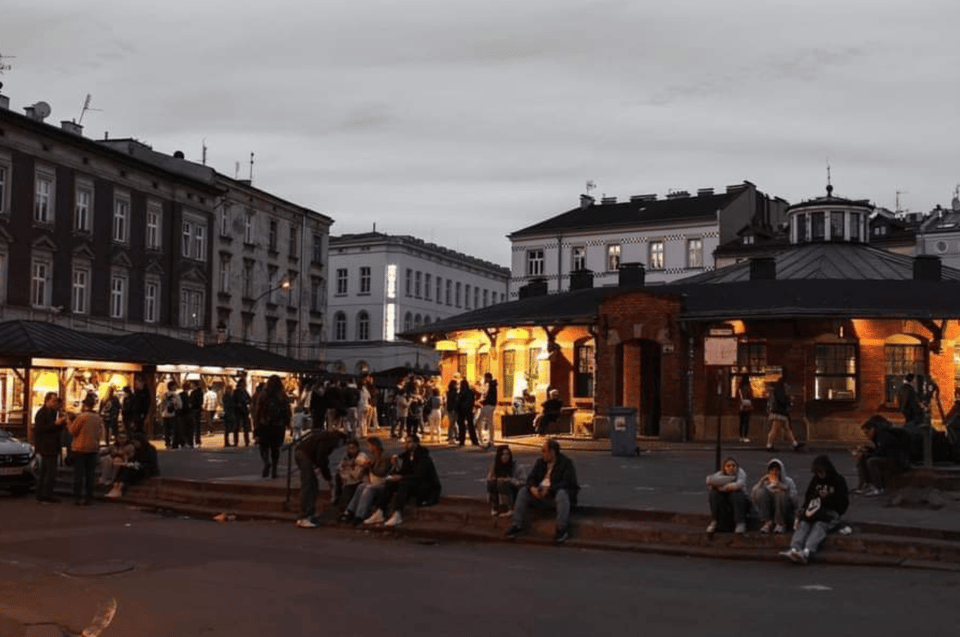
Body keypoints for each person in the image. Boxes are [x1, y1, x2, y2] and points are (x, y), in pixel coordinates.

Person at [504, 438, 579, 544]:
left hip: (554, 496)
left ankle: (561, 529)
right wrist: (533, 488)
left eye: (544, 451)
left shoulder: (566, 463)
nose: (542, 454)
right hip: (540, 494)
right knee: (524, 491)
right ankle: (516, 525)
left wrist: (549, 489)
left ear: (552, 452)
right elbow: (531, 478)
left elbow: (568, 483)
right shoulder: (540, 463)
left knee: (562, 494)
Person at [783, 455, 849, 564]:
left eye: (822, 472)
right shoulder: (815, 480)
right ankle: (795, 549)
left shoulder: (838, 480)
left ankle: (808, 551)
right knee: (803, 524)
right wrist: (804, 510)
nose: (820, 475)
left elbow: (843, 502)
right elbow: (808, 497)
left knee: (819, 526)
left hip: (830, 512)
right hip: (814, 511)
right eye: (818, 473)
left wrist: (828, 501)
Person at [365, 433, 442, 528]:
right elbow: (403, 471)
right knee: (390, 483)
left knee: (403, 484)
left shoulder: (423, 457)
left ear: (416, 443)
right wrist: (396, 470)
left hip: (424, 486)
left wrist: (401, 477)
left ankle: (398, 513)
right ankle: (380, 511)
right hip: (411, 482)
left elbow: (419, 475)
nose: (407, 444)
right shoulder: (407, 456)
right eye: (406, 442)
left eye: (409, 442)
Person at [294, 430, 347, 528]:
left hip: (302, 453)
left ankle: (309, 513)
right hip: (306, 456)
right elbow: (322, 456)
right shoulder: (332, 440)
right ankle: (304, 516)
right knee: (308, 486)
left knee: (313, 485)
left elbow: (321, 457)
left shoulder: (325, 436)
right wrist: (327, 475)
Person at [854, 415, 912, 496]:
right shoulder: (879, 436)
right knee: (863, 459)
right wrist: (868, 451)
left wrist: (870, 454)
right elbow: (880, 450)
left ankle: (878, 488)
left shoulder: (884, 435)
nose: (867, 436)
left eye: (867, 432)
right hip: (890, 458)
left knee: (871, 461)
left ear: (873, 429)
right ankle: (865, 484)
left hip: (898, 461)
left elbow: (884, 451)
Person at [341, 436, 393, 524]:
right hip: (373, 482)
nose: (368, 448)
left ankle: (360, 515)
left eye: (369, 445)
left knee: (368, 489)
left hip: (382, 482)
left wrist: (369, 466)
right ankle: (350, 511)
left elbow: (381, 472)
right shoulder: (372, 456)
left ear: (374, 446)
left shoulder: (385, 456)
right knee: (361, 486)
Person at [68, 392, 104, 506]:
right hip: (92, 448)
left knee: (78, 475)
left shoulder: (82, 417)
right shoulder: (98, 418)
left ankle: (77, 497)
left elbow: (72, 431)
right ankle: (89, 497)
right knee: (90, 475)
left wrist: (69, 421)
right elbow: (100, 434)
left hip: (80, 448)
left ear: (85, 405)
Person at [33, 391, 68, 503]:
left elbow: (57, 429)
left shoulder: (54, 412)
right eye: (53, 401)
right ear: (47, 400)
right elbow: (40, 429)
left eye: (56, 401)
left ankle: (47, 494)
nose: (55, 403)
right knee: (46, 473)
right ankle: (43, 496)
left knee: (51, 473)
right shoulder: (41, 413)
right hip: (45, 447)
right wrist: (55, 424)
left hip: (53, 446)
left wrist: (62, 423)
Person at [255, 375, 291, 479]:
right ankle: (274, 470)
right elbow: (287, 410)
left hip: (264, 424)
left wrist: (256, 425)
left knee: (263, 447)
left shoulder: (263, 395)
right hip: (278, 425)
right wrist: (288, 423)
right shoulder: (282, 395)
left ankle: (266, 462)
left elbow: (258, 411)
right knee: (275, 449)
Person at [750, 458, 798, 534]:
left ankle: (780, 523)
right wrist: (761, 482)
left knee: (780, 493)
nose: (774, 472)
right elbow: (754, 496)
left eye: (777, 470)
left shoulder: (788, 481)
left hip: (785, 512)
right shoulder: (765, 482)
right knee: (761, 492)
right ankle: (767, 522)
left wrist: (784, 489)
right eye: (772, 470)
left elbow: (795, 502)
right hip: (770, 510)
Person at [105, 433, 160, 499]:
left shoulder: (150, 449)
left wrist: (137, 465)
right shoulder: (137, 449)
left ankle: (120, 488)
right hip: (138, 467)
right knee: (125, 469)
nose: (135, 444)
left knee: (128, 472)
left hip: (148, 469)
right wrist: (131, 463)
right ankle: (117, 486)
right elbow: (134, 459)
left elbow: (151, 463)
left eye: (136, 442)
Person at [705, 457, 749, 535]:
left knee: (736, 493)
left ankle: (740, 523)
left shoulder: (741, 473)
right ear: (724, 468)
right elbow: (709, 480)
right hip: (725, 503)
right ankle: (715, 521)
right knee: (714, 493)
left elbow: (737, 485)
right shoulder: (720, 474)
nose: (731, 468)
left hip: (741, 504)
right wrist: (731, 478)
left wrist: (720, 485)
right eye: (728, 466)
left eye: (733, 465)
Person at [486, 445, 525, 516]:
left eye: (507, 454)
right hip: (499, 491)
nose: (505, 456)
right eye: (503, 454)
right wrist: (493, 479)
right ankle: (495, 507)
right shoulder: (495, 466)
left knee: (503, 484)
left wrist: (508, 480)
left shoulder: (515, 466)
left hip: (513, 491)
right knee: (492, 483)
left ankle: (508, 508)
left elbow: (523, 482)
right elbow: (488, 479)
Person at [765, 375, 802, 452]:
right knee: (775, 429)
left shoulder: (778, 389)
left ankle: (795, 444)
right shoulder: (780, 390)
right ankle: (769, 445)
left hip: (779, 411)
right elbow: (782, 400)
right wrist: (788, 400)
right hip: (779, 412)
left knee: (786, 429)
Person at [334, 438, 368, 508]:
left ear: (357, 448)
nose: (351, 450)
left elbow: (357, 475)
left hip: (356, 481)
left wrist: (348, 467)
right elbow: (339, 467)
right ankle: (338, 497)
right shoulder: (346, 456)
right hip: (347, 479)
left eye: (353, 448)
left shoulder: (361, 456)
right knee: (337, 477)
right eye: (349, 448)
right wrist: (344, 467)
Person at [475, 373, 497, 450]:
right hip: (488, 405)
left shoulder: (490, 385)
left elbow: (488, 396)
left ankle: (487, 440)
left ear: (487, 378)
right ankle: (488, 440)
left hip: (488, 405)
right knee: (487, 422)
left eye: (485, 377)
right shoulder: (491, 385)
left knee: (486, 422)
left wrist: (483, 401)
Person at [456, 378, 480, 446]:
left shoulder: (461, 392)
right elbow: (473, 399)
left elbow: (458, 400)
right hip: (469, 409)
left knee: (462, 426)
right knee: (471, 425)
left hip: (461, 410)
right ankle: (474, 440)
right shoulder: (470, 391)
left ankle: (462, 440)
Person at [160, 381, 182, 449]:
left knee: (166, 430)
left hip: (165, 414)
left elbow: (161, 405)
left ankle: (167, 443)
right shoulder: (176, 395)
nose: (176, 387)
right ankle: (173, 443)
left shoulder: (164, 395)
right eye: (175, 385)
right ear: (172, 386)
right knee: (173, 429)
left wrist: (161, 412)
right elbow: (180, 405)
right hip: (172, 414)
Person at [234, 379, 252, 446]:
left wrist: (245, 402)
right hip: (238, 411)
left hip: (244, 411)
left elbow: (250, 399)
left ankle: (247, 441)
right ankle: (236, 441)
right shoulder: (236, 392)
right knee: (237, 426)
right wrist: (237, 404)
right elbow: (233, 401)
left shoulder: (245, 392)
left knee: (245, 426)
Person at [736, 374, 753, 443]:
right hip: (748, 407)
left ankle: (741, 436)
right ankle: (745, 436)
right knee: (746, 422)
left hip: (741, 407)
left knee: (741, 422)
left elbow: (737, 397)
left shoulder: (740, 388)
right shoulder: (749, 388)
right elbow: (751, 397)